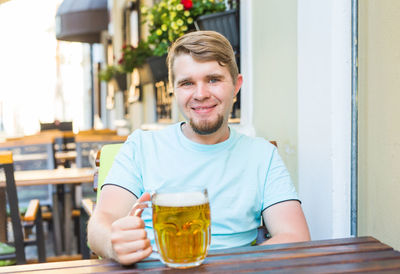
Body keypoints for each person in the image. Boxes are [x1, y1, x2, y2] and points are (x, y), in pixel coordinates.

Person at [88, 31, 310, 265]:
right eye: (187, 83)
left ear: (236, 85)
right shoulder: (141, 147)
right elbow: (101, 222)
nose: (201, 94)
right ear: (174, 89)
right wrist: (113, 243)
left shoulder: (262, 155)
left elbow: (295, 236)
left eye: (213, 79)